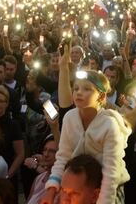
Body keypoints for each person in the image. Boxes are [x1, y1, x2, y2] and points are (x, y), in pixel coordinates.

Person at [41, 70, 130, 204]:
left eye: (87, 89)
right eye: (76, 88)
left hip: (108, 188)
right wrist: (51, 190)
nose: (79, 92)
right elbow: (63, 157)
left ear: (101, 96)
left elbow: (111, 173)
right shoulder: (69, 118)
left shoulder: (110, 125)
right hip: (77, 185)